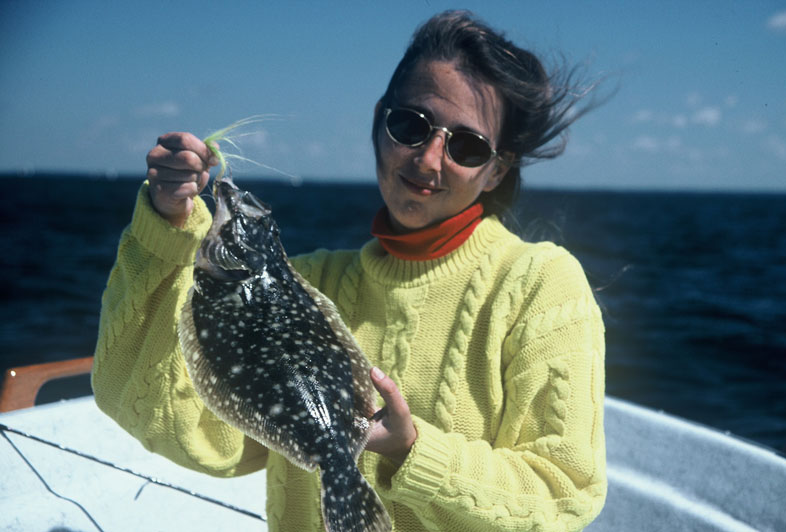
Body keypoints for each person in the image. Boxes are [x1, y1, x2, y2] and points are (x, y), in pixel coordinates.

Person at [92, 10, 607, 532]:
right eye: (411, 125)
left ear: (496, 168)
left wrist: (414, 451)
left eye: (467, 146)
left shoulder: (540, 284)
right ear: (379, 121)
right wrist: (167, 227)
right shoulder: (308, 281)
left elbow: (565, 493)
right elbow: (158, 412)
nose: (429, 160)